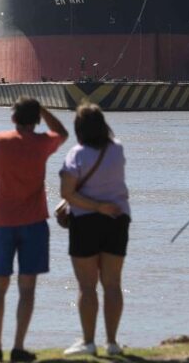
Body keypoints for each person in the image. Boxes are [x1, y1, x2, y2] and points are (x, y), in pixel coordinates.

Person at [0, 96, 69, 362]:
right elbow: (63, 133)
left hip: (2, 223)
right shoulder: (43, 143)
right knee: (27, 288)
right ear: (36, 119)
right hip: (34, 224)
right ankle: (18, 347)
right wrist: (43, 110)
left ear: (13, 119)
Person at [58, 103, 130, 357]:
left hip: (85, 222)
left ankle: (88, 342)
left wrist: (96, 206)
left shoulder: (75, 155)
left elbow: (67, 193)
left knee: (87, 286)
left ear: (78, 129)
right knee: (113, 284)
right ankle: (112, 342)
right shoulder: (117, 150)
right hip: (117, 220)